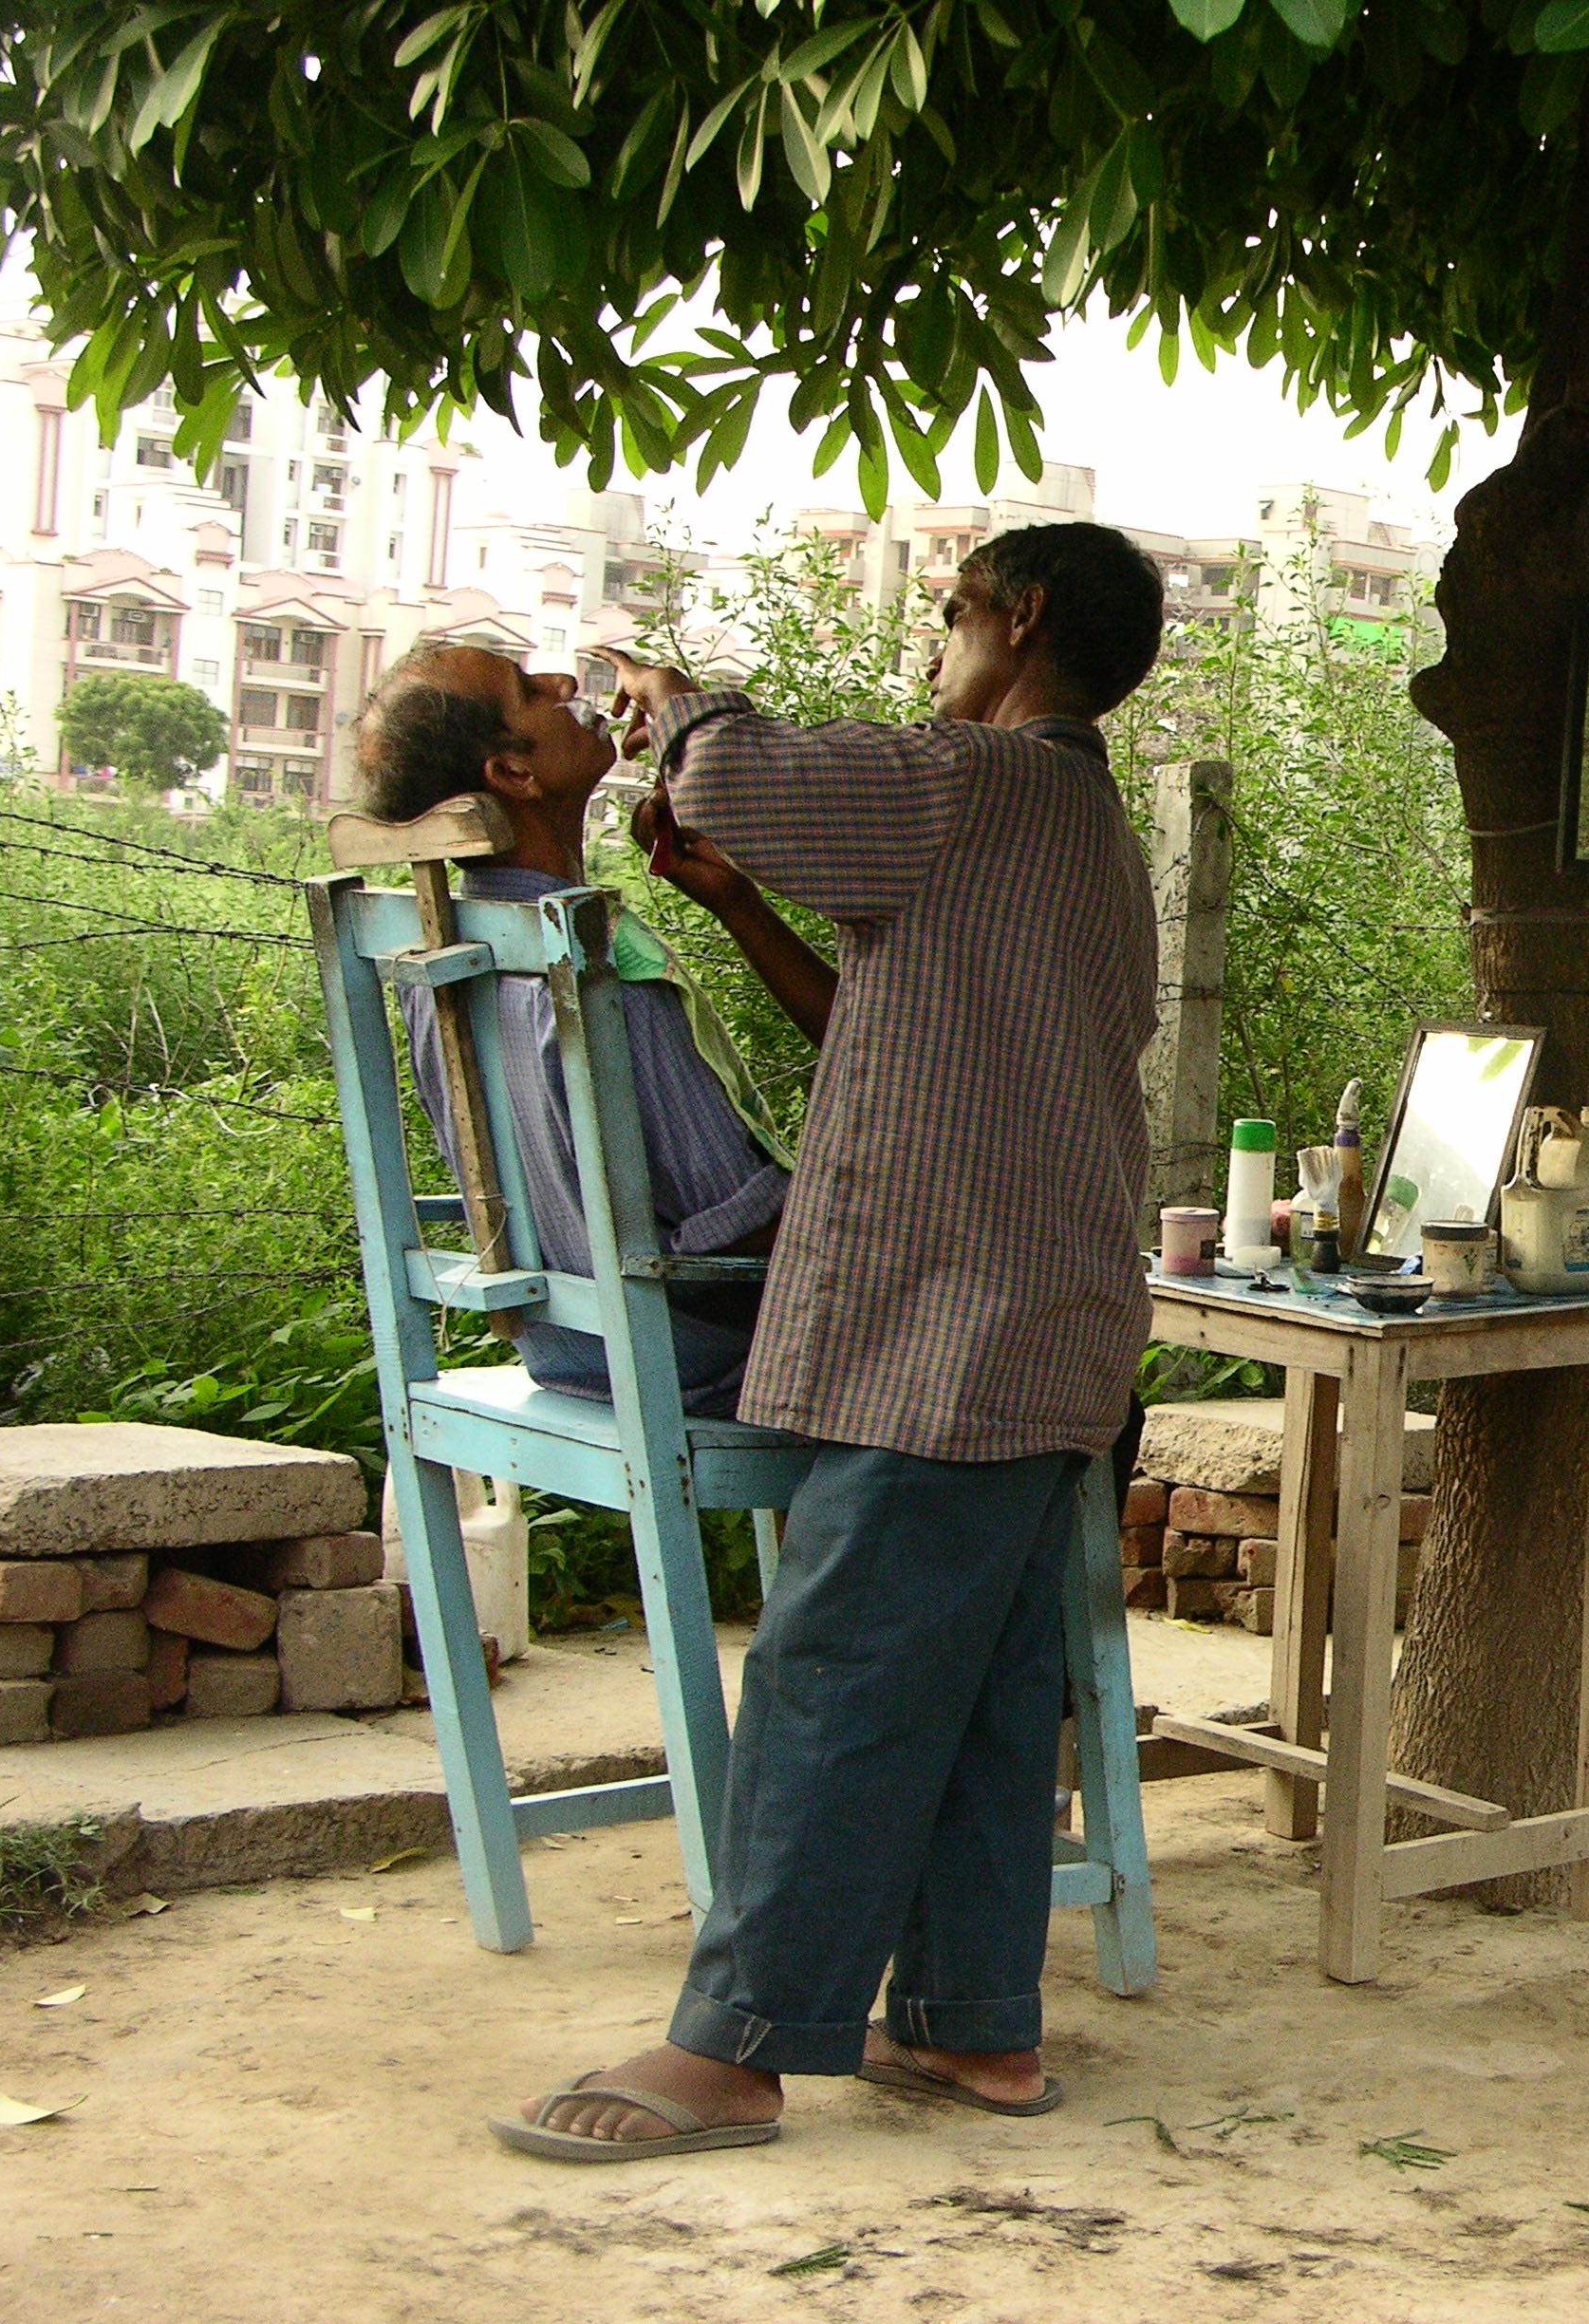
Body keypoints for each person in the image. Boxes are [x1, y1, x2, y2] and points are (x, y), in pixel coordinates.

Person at [492, 521, 1164, 2161]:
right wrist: (732, 910)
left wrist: (678, 701)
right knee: (989, 1686)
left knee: (838, 1664)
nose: (934, 649)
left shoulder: (975, 779)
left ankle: (734, 2047)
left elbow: (734, 778)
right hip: (1041, 1306)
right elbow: (874, 1024)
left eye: (947, 615)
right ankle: (973, 2030)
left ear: (1019, 619)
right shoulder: (1071, 825)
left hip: (957, 1309)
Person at [362, 645, 835, 1417]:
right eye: (527, 690)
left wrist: (738, 903)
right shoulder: (591, 961)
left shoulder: (445, 958)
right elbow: (735, 1227)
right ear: (515, 775)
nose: (564, 684)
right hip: (700, 1354)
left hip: (567, 1349)